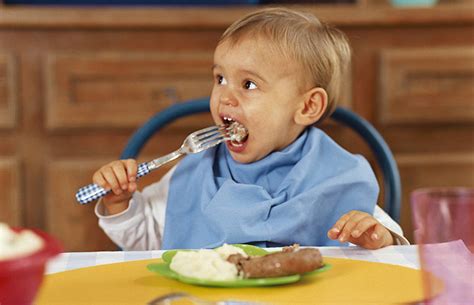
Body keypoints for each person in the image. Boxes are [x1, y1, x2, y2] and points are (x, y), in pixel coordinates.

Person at [92, 7, 408, 251]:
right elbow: (147, 238)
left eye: (249, 84)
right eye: (219, 79)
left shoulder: (336, 175)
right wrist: (119, 204)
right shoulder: (195, 172)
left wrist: (379, 239)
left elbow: (383, 243)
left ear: (307, 107)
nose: (224, 96)